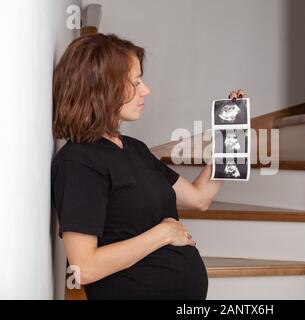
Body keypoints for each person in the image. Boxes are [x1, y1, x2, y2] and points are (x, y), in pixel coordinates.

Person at [51, 33, 247, 300]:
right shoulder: (79, 162)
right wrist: (164, 233)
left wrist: (231, 134)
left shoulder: (135, 149)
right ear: (102, 89)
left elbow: (200, 198)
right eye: (135, 82)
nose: (146, 90)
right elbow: (84, 268)